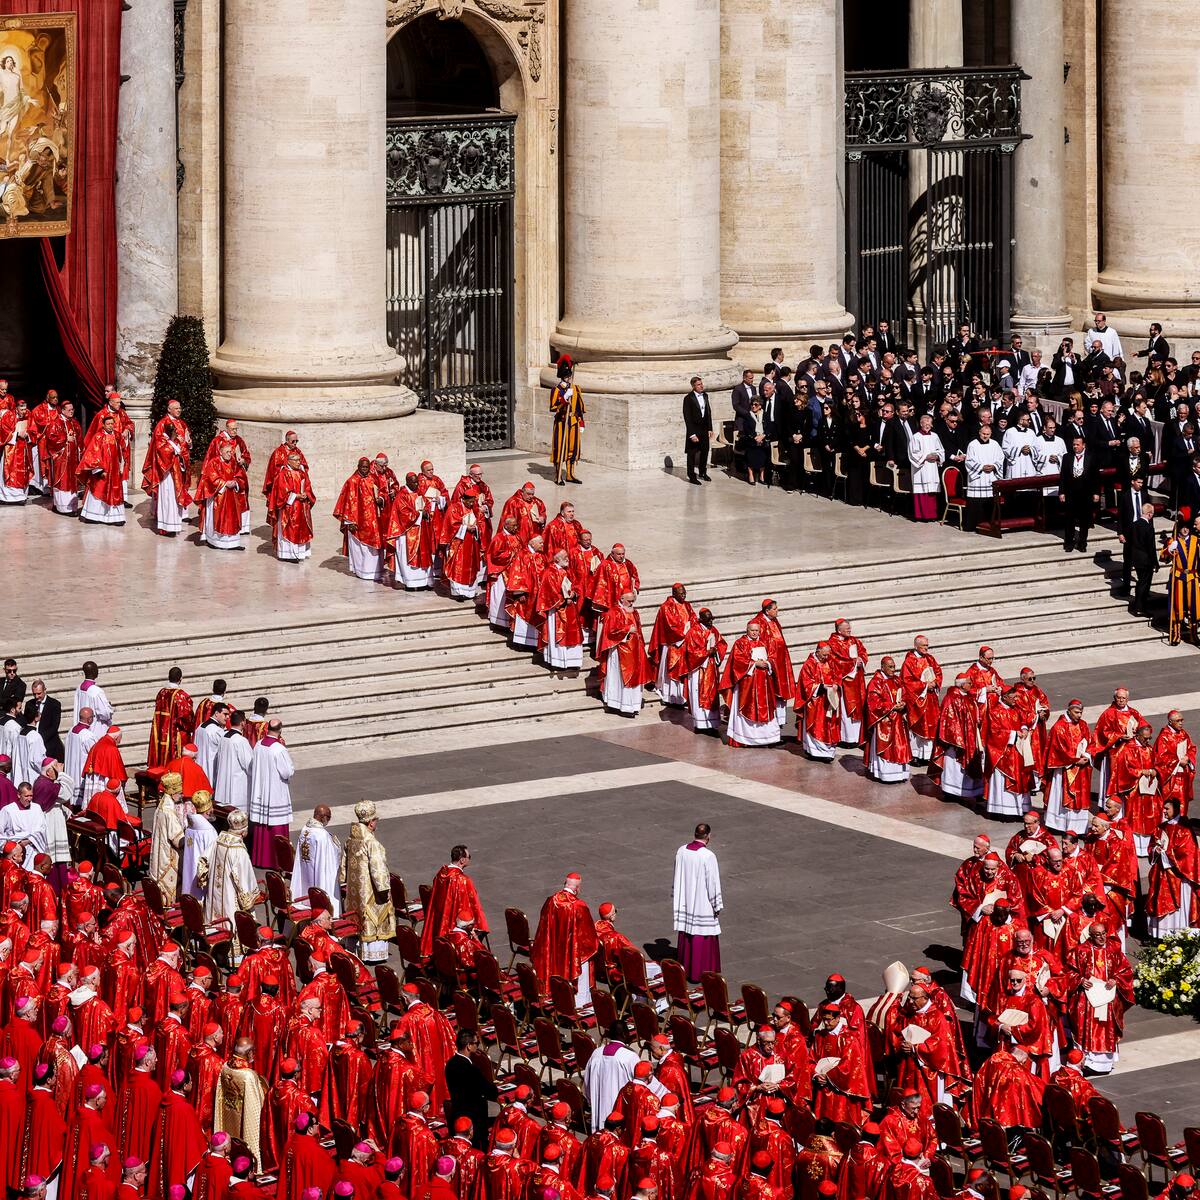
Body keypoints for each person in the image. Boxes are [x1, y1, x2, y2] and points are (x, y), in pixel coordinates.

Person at [532, 872, 598, 1007]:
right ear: (577, 888)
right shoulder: (578, 905)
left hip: (553, 945)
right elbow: (587, 935)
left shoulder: (551, 900)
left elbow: (544, 925)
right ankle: (579, 1003)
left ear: (565, 884)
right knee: (583, 962)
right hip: (571, 948)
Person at [344, 801, 396, 964]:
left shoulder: (351, 839)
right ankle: (373, 953)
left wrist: (342, 879)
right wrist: (384, 888)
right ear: (370, 822)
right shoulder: (371, 843)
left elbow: (344, 863)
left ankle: (354, 947)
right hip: (370, 891)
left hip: (355, 890)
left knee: (356, 915)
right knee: (374, 916)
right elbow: (378, 868)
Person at [204, 812, 259, 958]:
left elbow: (203, 862)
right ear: (243, 831)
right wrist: (248, 900)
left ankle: (217, 951)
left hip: (214, 894)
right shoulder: (238, 850)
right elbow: (243, 879)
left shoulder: (217, 840)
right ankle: (234, 956)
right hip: (230, 896)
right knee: (234, 919)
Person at [672, 824, 722, 982]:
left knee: (687, 934)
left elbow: (677, 874)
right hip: (702, 903)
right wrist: (717, 904)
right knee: (702, 935)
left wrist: (676, 895)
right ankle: (700, 971)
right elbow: (712, 883)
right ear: (708, 836)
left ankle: (685, 968)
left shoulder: (681, 851)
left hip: (686, 900)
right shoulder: (708, 856)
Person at [718, 621, 780, 748]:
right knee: (747, 709)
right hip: (747, 685)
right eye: (752, 630)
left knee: (766, 709)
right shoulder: (740, 643)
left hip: (764, 684)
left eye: (757, 630)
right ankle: (745, 739)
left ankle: (766, 739)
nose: (754, 633)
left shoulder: (765, 642)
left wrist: (767, 663)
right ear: (747, 630)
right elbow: (738, 661)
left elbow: (773, 657)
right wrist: (754, 664)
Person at [421, 845, 488, 957]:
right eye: (469, 856)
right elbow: (469, 905)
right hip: (455, 922)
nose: (469, 859)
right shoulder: (463, 880)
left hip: (440, 917)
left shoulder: (440, 874)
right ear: (462, 860)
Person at [1146, 798, 1199, 937]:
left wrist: (1166, 852)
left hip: (1178, 876)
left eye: (1167, 809)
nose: (1163, 811)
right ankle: (1162, 935)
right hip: (1162, 873)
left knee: (1178, 909)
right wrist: (1154, 850)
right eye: (1163, 808)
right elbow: (1151, 845)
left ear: (1175, 810)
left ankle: (1178, 935)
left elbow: (1188, 853)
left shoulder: (1185, 829)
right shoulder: (1161, 827)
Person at [247, 720, 294, 869]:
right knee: (276, 826)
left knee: (262, 827)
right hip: (274, 794)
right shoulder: (278, 749)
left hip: (261, 791)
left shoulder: (259, 744)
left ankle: (260, 859)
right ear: (280, 730)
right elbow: (286, 771)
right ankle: (277, 862)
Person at [596, 593, 652, 717]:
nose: (632, 603)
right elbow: (610, 633)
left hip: (635, 650)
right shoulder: (614, 612)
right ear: (621, 599)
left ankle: (632, 704)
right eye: (629, 601)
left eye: (633, 601)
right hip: (619, 652)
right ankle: (620, 705)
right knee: (619, 679)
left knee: (635, 677)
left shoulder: (634, 612)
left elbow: (639, 630)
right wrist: (627, 630)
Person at [1043, 701, 1093, 834]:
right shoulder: (1059, 727)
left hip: (1081, 769)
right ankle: (1058, 825)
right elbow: (1058, 750)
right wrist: (1075, 760)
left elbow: (1090, 742)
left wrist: (1087, 756)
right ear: (1069, 711)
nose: (1079, 715)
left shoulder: (1083, 725)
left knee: (1079, 797)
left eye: (1081, 712)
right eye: (1077, 712)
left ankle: (1079, 828)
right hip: (1064, 768)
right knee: (1060, 796)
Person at [142, 409, 192, 537]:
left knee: (174, 498)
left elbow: (183, 446)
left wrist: (187, 443)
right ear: (169, 409)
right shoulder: (162, 425)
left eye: (180, 408)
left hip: (177, 470)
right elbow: (160, 449)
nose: (179, 410)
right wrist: (175, 447)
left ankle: (174, 523)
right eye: (176, 408)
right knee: (168, 498)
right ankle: (166, 526)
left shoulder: (182, 423)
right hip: (166, 473)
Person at [334, 459, 385, 582]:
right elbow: (348, 502)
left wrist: (381, 500)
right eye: (362, 467)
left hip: (373, 520)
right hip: (358, 521)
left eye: (367, 467)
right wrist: (350, 522)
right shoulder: (352, 481)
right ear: (358, 467)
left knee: (374, 547)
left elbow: (382, 492)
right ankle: (362, 571)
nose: (365, 469)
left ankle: (375, 571)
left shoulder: (373, 478)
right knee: (360, 548)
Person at [445, 1030, 497, 1150]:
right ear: (469, 1046)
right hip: (474, 1118)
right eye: (476, 1043)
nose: (477, 1046)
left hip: (457, 1112)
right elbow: (490, 1092)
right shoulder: (471, 1070)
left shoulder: (450, 1063)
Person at [863, 657, 911, 784]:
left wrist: (904, 703)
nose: (893, 669)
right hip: (884, 722)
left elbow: (905, 694)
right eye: (890, 667)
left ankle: (899, 774)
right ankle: (885, 774)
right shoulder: (876, 682)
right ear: (882, 666)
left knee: (899, 747)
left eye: (894, 667)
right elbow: (873, 702)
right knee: (887, 749)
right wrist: (891, 707)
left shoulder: (896, 680)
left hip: (898, 720)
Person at [679, 609, 726, 734]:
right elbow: (691, 652)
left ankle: (712, 724)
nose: (711, 621)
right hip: (698, 670)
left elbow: (722, 643)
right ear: (701, 619)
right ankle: (700, 724)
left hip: (711, 667)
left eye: (712, 619)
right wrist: (707, 652)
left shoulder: (713, 630)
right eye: (708, 619)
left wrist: (716, 650)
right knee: (699, 694)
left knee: (712, 694)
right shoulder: (694, 632)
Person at [648, 585, 695, 708]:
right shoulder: (666, 607)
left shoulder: (687, 605)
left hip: (685, 643)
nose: (684, 595)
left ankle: (682, 697)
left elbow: (693, 619)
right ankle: (669, 696)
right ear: (674, 593)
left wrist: (691, 631)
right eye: (681, 593)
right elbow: (670, 626)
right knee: (671, 672)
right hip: (672, 644)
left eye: (685, 592)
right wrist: (683, 634)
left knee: (682, 672)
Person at [292, 806, 344, 916]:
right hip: (319, 871)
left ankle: (305, 900)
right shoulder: (321, 835)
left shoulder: (305, 829)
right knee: (322, 882)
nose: (328, 820)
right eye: (328, 817)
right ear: (323, 817)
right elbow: (329, 858)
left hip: (305, 869)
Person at [76, 414, 127, 525]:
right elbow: (92, 454)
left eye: (112, 424)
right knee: (99, 490)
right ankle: (93, 516)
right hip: (101, 471)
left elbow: (122, 450)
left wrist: (122, 464)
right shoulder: (98, 437)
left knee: (115, 492)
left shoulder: (117, 436)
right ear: (103, 425)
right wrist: (99, 470)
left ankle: (115, 517)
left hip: (114, 471)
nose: (110, 426)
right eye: (107, 424)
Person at [193, 442, 244, 551]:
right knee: (218, 518)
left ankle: (233, 543)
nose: (230, 454)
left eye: (231, 451)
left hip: (231, 496)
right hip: (218, 496)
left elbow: (240, 475)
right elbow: (211, 479)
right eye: (227, 452)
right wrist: (225, 483)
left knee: (232, 517)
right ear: (220, 451)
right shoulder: (214, 462)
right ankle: (216, 542)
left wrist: (236, 482)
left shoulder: (233, 462)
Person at [267, 450, 316, 563]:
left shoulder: (302, 473)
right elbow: (281, 493)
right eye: (297, 460)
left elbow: (308, 486)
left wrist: (306, 494)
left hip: (301, 507)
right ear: (289, 461)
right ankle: (287, 554)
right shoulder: (283, 474)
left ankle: (299, 553)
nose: (299, 462)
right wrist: (296, 496)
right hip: (288, 508)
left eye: (300, 460)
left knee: (300, 529)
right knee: (289, 529)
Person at [1162, 511, 1200, 645]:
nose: (1185, 529)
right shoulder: (1173, 540)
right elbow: (1163, 558)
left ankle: (1193, 634)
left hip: (1192, 577)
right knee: (1177, 606)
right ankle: (1176, 634)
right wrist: (1169, 550)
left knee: (1194, 607)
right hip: (1178, 577)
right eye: (1183, 527)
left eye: (1187, 527)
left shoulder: (1196, 541)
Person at [1058, 435, 1098, 553]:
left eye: (1077, 444)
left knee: (1084, 520)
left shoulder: (1091, 457)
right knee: (1069, 519)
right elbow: (1063, 477)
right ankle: (1069, 543)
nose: (1075, 446)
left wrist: (1096, 492)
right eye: (1074, 444)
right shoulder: (1067, 457)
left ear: (1083, 445)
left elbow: (1095, 477)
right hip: (1071, 493)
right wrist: (1062, 492)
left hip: (1085, 493)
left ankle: (1082, 543)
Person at [148, 669, 194, 771]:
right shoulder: (181, 696)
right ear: (181, 678)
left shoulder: (161, 693)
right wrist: (191, 726)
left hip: (161, 732)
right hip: (175, 734)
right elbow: (186, 717)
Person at [550, 358, 586, 485]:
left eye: (568, 375)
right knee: (560, 449)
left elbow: (579, 408)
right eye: (565, 376)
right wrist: (564, 399)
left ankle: (570, 475)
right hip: (562, 422)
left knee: (572, 449)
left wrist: (581, 423)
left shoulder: (576, 389)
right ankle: (558, 476)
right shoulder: (557, 390)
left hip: (574, 422)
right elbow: (553, 407)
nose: (567, 378)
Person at [963, 425, 1004, 531]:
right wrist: (981, 467)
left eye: (988, 434)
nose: (985, 436)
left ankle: (990, 524)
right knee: (976, 503)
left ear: (990, 434)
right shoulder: (972, 445)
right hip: (978, 478)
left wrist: (994, 466)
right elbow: (969, 461)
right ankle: (973, 525)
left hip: (991, 476)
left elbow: (1001, 458)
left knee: (990, 501)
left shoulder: (995, 444)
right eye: (983, 434)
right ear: (979, 433)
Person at [214, 711, 254, 813]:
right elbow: (249, 765)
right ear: (243, 723)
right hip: (236, 786)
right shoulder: (240, 741)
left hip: (223, 784)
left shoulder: (223, 736)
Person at [906, 415, 944, 520]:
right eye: (925, 424)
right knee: (921, 492)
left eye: (929, 424)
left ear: (932, 425)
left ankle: (932, 515)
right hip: (921, 469)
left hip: (932, 467)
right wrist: (926, 456)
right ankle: (921, 515)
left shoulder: (935, 436)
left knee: (932, 491)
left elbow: (941, 450)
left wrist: (937, 456)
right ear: (921, 424)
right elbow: (912, 453)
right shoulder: (916, 436)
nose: (927, 426)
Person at [682, 377, 713, 484]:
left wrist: (710, 428)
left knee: (705, 451)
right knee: (692, 453)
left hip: (704, 429)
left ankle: (702, 472)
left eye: (701, 384)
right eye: (698, 384)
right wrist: (691, 434)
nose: (701, 386)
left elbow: (708, 412)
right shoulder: (688, 398)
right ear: (693, 386)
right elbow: (687, 417)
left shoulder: (705, 395)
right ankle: (691, 475)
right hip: (694, 430)